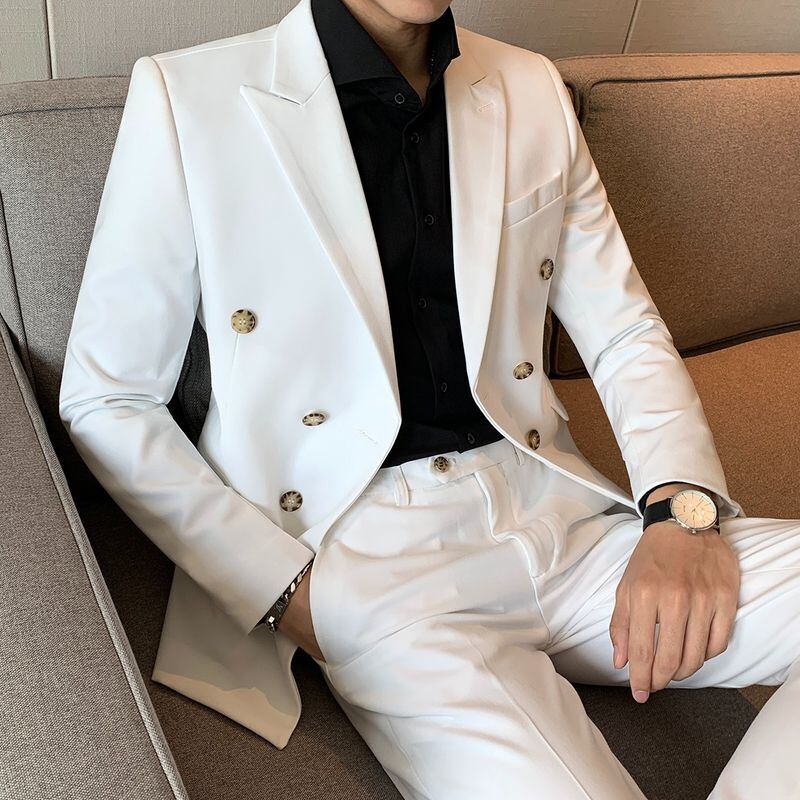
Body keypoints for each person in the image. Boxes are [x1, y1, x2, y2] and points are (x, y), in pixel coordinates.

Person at [58, 0, 800, 797]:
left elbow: (623, 331)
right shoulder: (190, 97)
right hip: (372, 560)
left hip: (563, 518)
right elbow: (110, 399)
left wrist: (682, 513)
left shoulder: (529, 85)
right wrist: (283, 588)